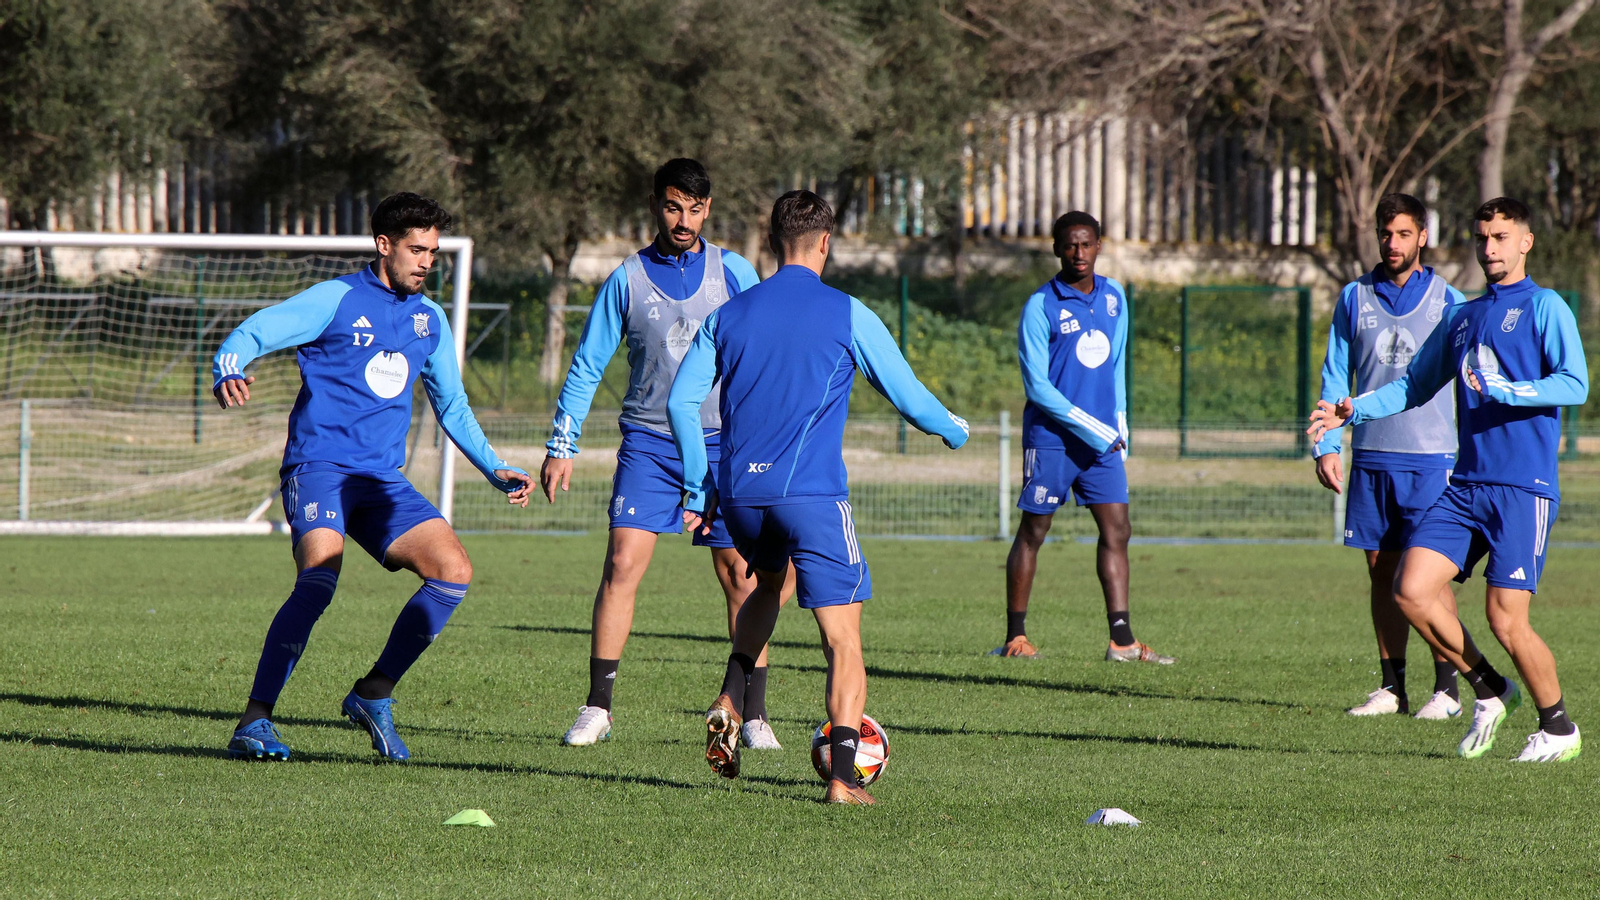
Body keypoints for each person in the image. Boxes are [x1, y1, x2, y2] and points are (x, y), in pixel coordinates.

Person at [668, 190, 969, 804]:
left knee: (768, 586)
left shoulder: (730, 314)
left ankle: (730, 694)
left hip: (743, 496)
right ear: (826, 242)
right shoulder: (847, 312)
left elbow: (679, 402)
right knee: (843, 639)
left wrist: (703, 483)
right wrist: (954, 429)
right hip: (811, 498)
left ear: (776, 241)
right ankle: (840, 778)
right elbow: (909, 398)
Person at [213, 192, 531, 762]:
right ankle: (254, 721)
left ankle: (374, 692)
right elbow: (257, 330)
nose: (426, 261)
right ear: (384, 245)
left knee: (453, 571)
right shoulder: (335, 299)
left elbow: (451, 405)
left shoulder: (429, 319)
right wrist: (229, 366)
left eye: (433, 251)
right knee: (319, 579)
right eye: (416, 249)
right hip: (319, 469)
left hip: (381, 481)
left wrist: (492, 466)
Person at [1309, 197, 1588, 762]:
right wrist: (1351, 411)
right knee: (1410, 590)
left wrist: (1511, 391)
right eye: (1483, 238)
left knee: (1505, 619)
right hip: (1465, 486)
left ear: (1525, 242)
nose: (1490, 248)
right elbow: (1412, 386)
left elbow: (1575, 382)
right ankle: (1490, 688)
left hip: (1521, 488)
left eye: (1502, 238)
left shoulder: (1546, 307)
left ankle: (1558, 728)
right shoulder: (1462, 318)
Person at [542, 158, 793, 749]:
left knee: (740, 575)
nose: (684, 219)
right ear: (657, 205)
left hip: (721, 446)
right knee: (622, 566)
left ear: (709, 210)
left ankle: (752, 715)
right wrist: (562, 444)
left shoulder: (733, 271)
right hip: (650, 445)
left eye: (696, 209)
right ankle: (598, 707)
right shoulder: (625, 279)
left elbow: (764, 352)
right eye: (674, 206)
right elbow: (586, 365)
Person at [1313, 193, 1477, 720]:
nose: (1393, 243)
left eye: (1404, 234)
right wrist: (1325, 445)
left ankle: (1447, 690)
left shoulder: (1449, 301)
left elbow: (1469, 381)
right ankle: (1391, 688)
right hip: (1373, 459)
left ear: (1422, 238)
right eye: (1386, 234)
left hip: (1433, 460)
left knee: (1429, 579)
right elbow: (1335, 377)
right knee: (1381, 574)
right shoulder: (1352, 297)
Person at [992, 211, 1173, 664]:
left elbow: (1117, 365)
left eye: (1087, 244)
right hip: (1052, 438)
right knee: (1035, 531)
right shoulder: (1040, 305)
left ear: (1099, 246)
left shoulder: (1115, 298)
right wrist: (1094, 427)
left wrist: (1121, 420)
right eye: (1070, 245)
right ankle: (1016, 636)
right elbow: (1037, 387)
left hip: (1103, 442)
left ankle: (1122, 641)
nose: (1079, 253)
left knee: (1118, 529)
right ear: (1056, 248)